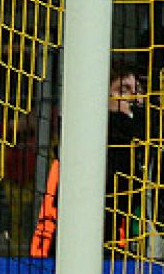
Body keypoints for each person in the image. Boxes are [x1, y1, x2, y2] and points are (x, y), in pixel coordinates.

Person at [32, 61, 155, 257]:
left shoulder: (145, 142)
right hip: (72, 249)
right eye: (124, 90)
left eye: (138, 90)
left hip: (124, 251)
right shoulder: (85, 137)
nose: (135, 98)